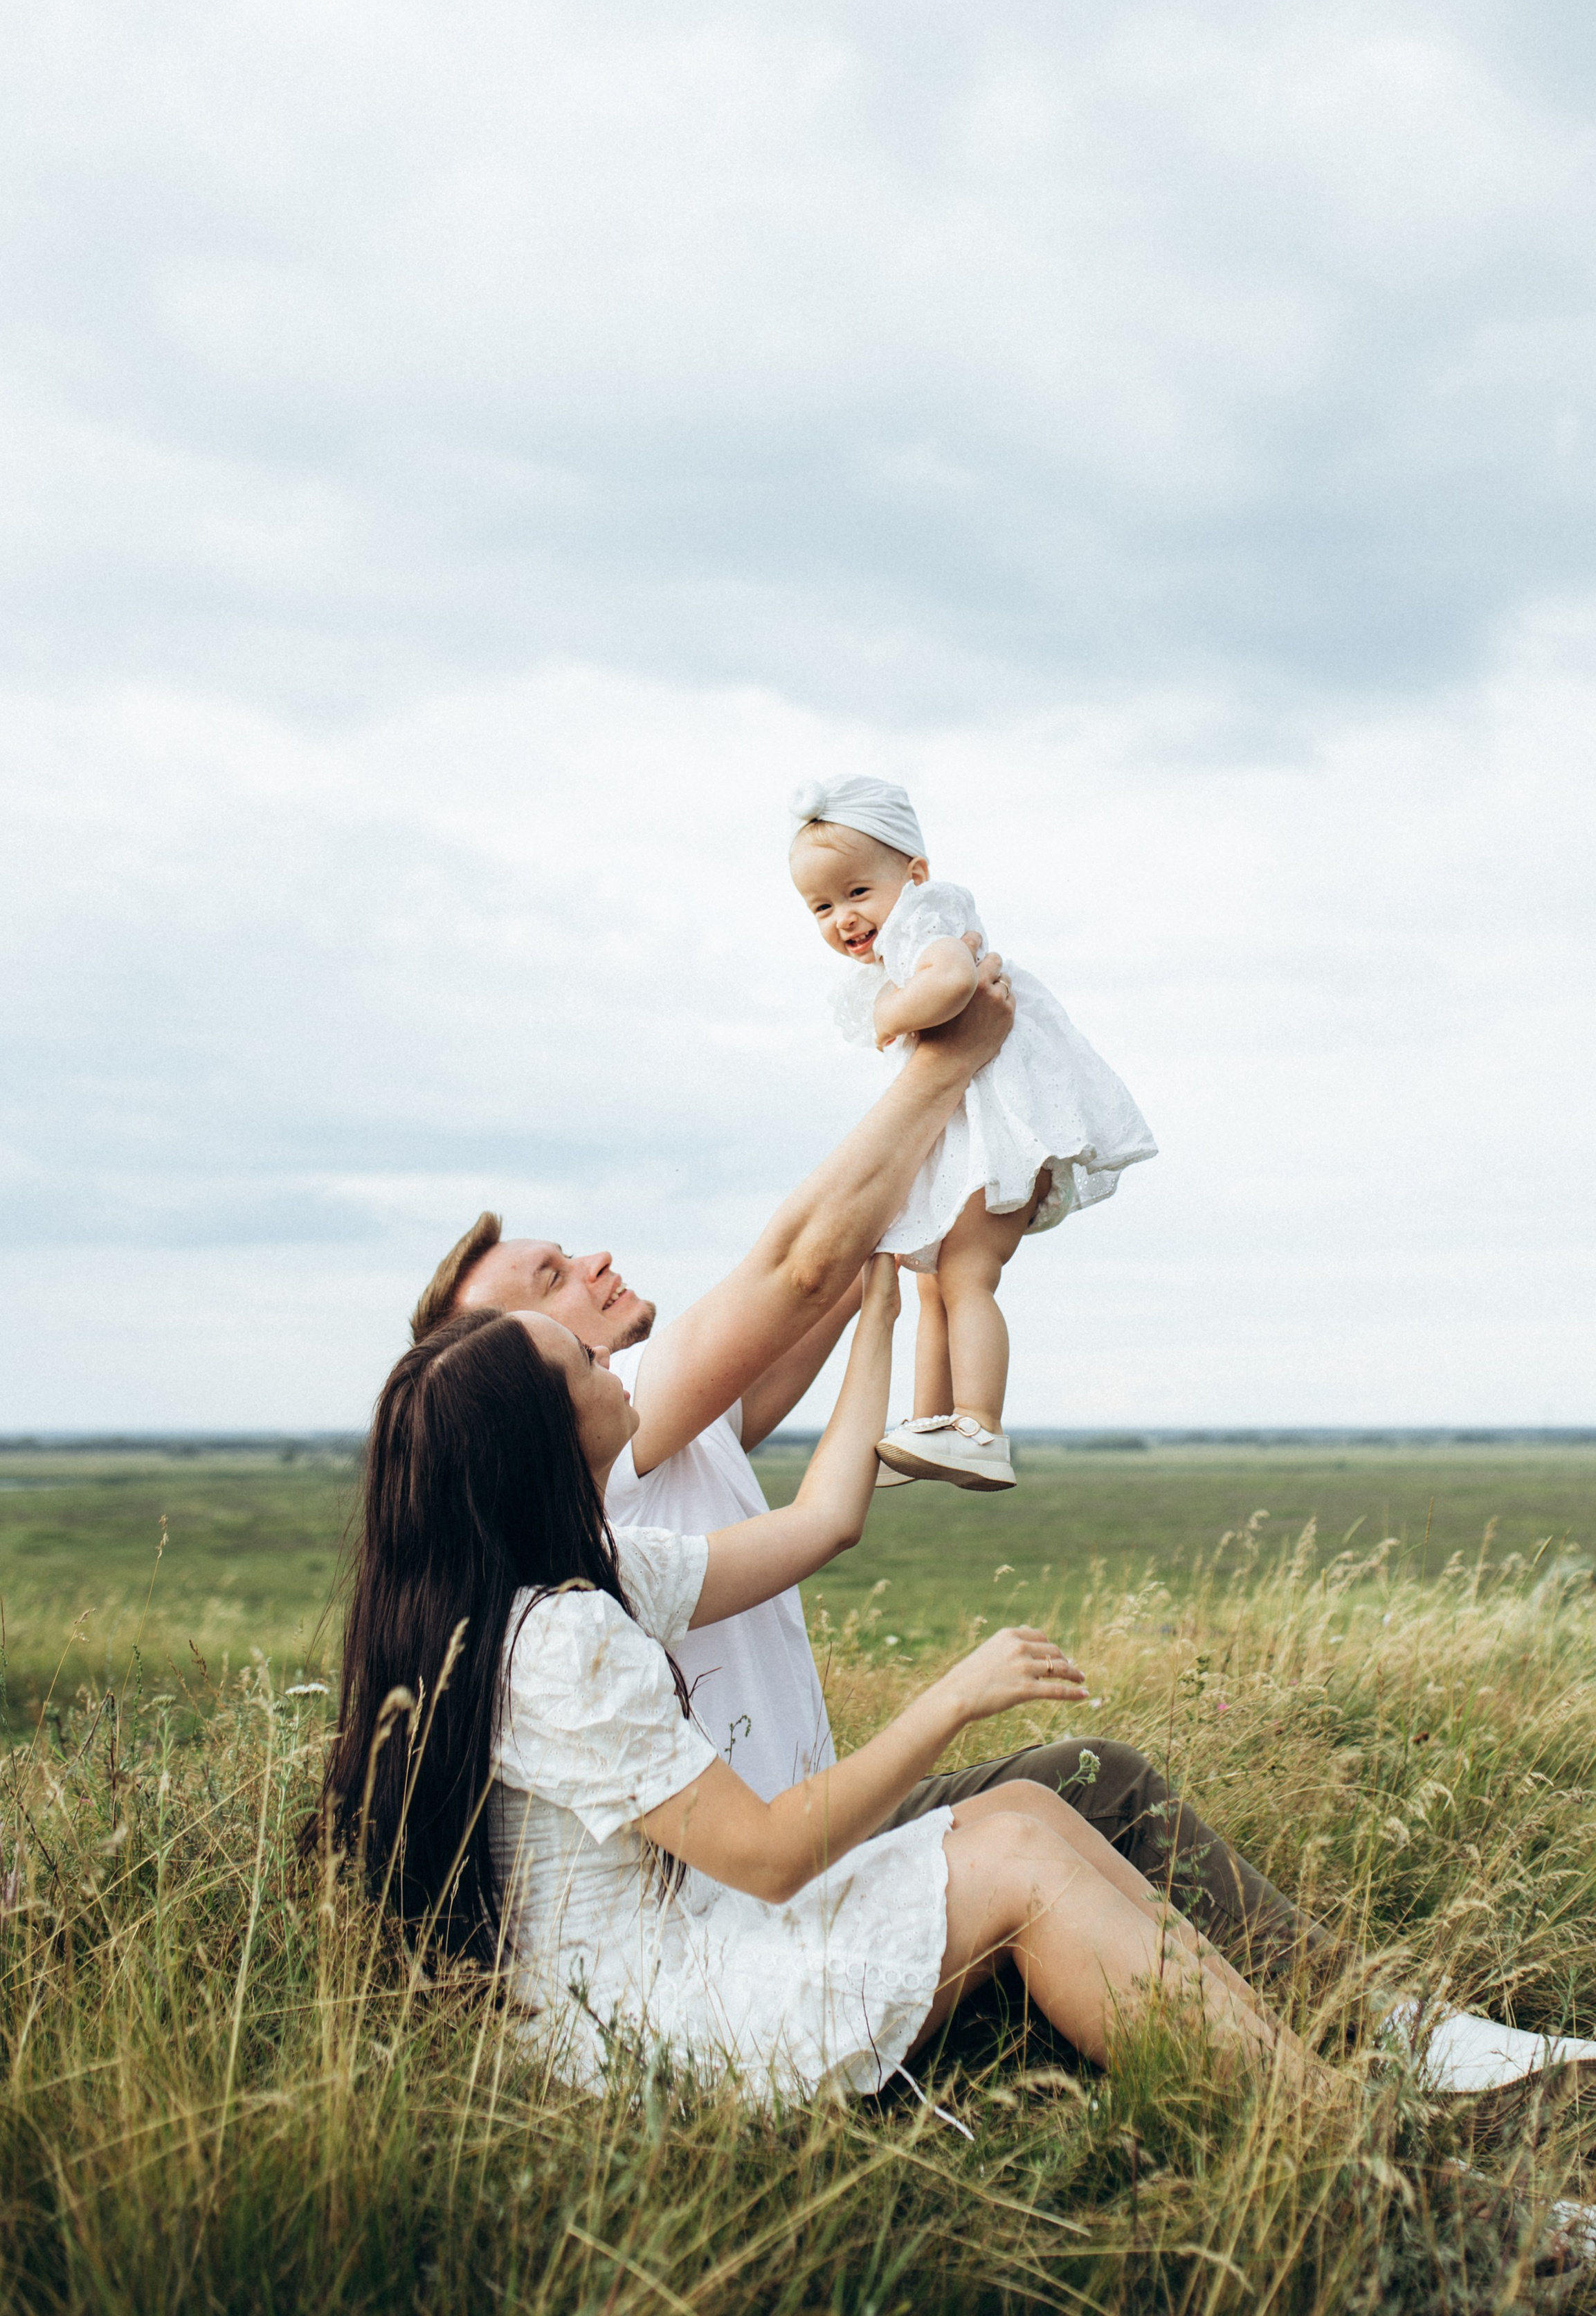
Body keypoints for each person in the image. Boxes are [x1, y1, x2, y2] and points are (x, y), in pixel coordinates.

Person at [325, 1259, 1339, 2106]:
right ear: (543, 1438)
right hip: (665, 2029)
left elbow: (820, 1524)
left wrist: (878, 1318)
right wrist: (949, 1700)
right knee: (1021, 1853)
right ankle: (1315, 2121)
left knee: (1026, 1807)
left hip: (694, 1957)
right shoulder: (559, 1643)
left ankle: (1303, 2075)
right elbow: (768, 1857)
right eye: (584, 1362)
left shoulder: (591, 1575)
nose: (609, 1360)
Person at [788, 773, 1156, 1493]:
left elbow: (954, 984)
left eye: (858, 893)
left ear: (913, 875)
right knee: (935, 1285)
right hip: (978, 1144)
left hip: (1006, 1143)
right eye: (821, 907)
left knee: (966, 1276)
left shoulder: (929, 923)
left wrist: (893, 1013)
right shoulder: (903, 944)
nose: (843, 918)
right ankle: (931, 1424)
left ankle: (979, 1427)